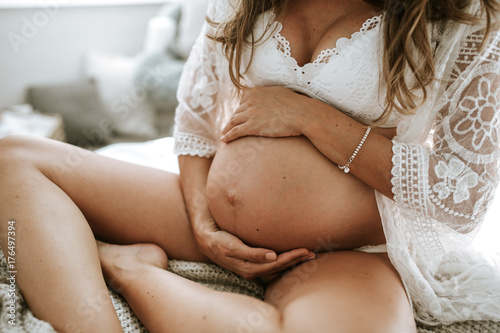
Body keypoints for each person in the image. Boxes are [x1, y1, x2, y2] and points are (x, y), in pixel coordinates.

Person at [0, 0, 499, 332]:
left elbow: (463, 196)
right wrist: (202, 221)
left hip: (347, 251)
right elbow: (196, 122)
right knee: (15, 161)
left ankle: (132, 271)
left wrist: (310, 116)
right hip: (207, 221)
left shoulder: (460, 20)